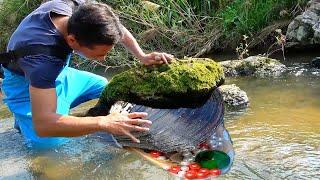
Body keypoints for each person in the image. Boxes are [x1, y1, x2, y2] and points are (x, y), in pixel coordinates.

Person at [0, 0, 173, 149]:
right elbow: (44, 125)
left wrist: (142, 56)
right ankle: (25, 119)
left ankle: (41, 117)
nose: (104, 59)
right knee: (50, 144)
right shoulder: (43, 61)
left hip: (58, 74)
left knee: (106, 87)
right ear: (72, 41)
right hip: (25, 86)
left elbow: (116, 28)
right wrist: (103, 123)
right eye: (99, 54)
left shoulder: (78, 10)